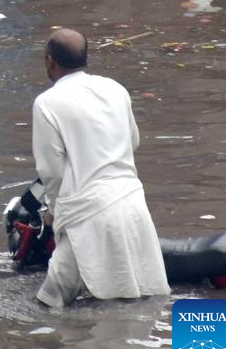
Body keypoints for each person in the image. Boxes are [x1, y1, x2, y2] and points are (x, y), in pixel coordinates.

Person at [31, 28, 169, 307]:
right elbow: (133, 142)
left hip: (87, 212)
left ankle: (57, 346)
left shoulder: (47, 103)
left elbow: (52, 171)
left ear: (49, 60)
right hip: (131, 201)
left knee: (50, 303)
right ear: (85, 58)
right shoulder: (115, 89)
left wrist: (56, 213)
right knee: (141, 291)